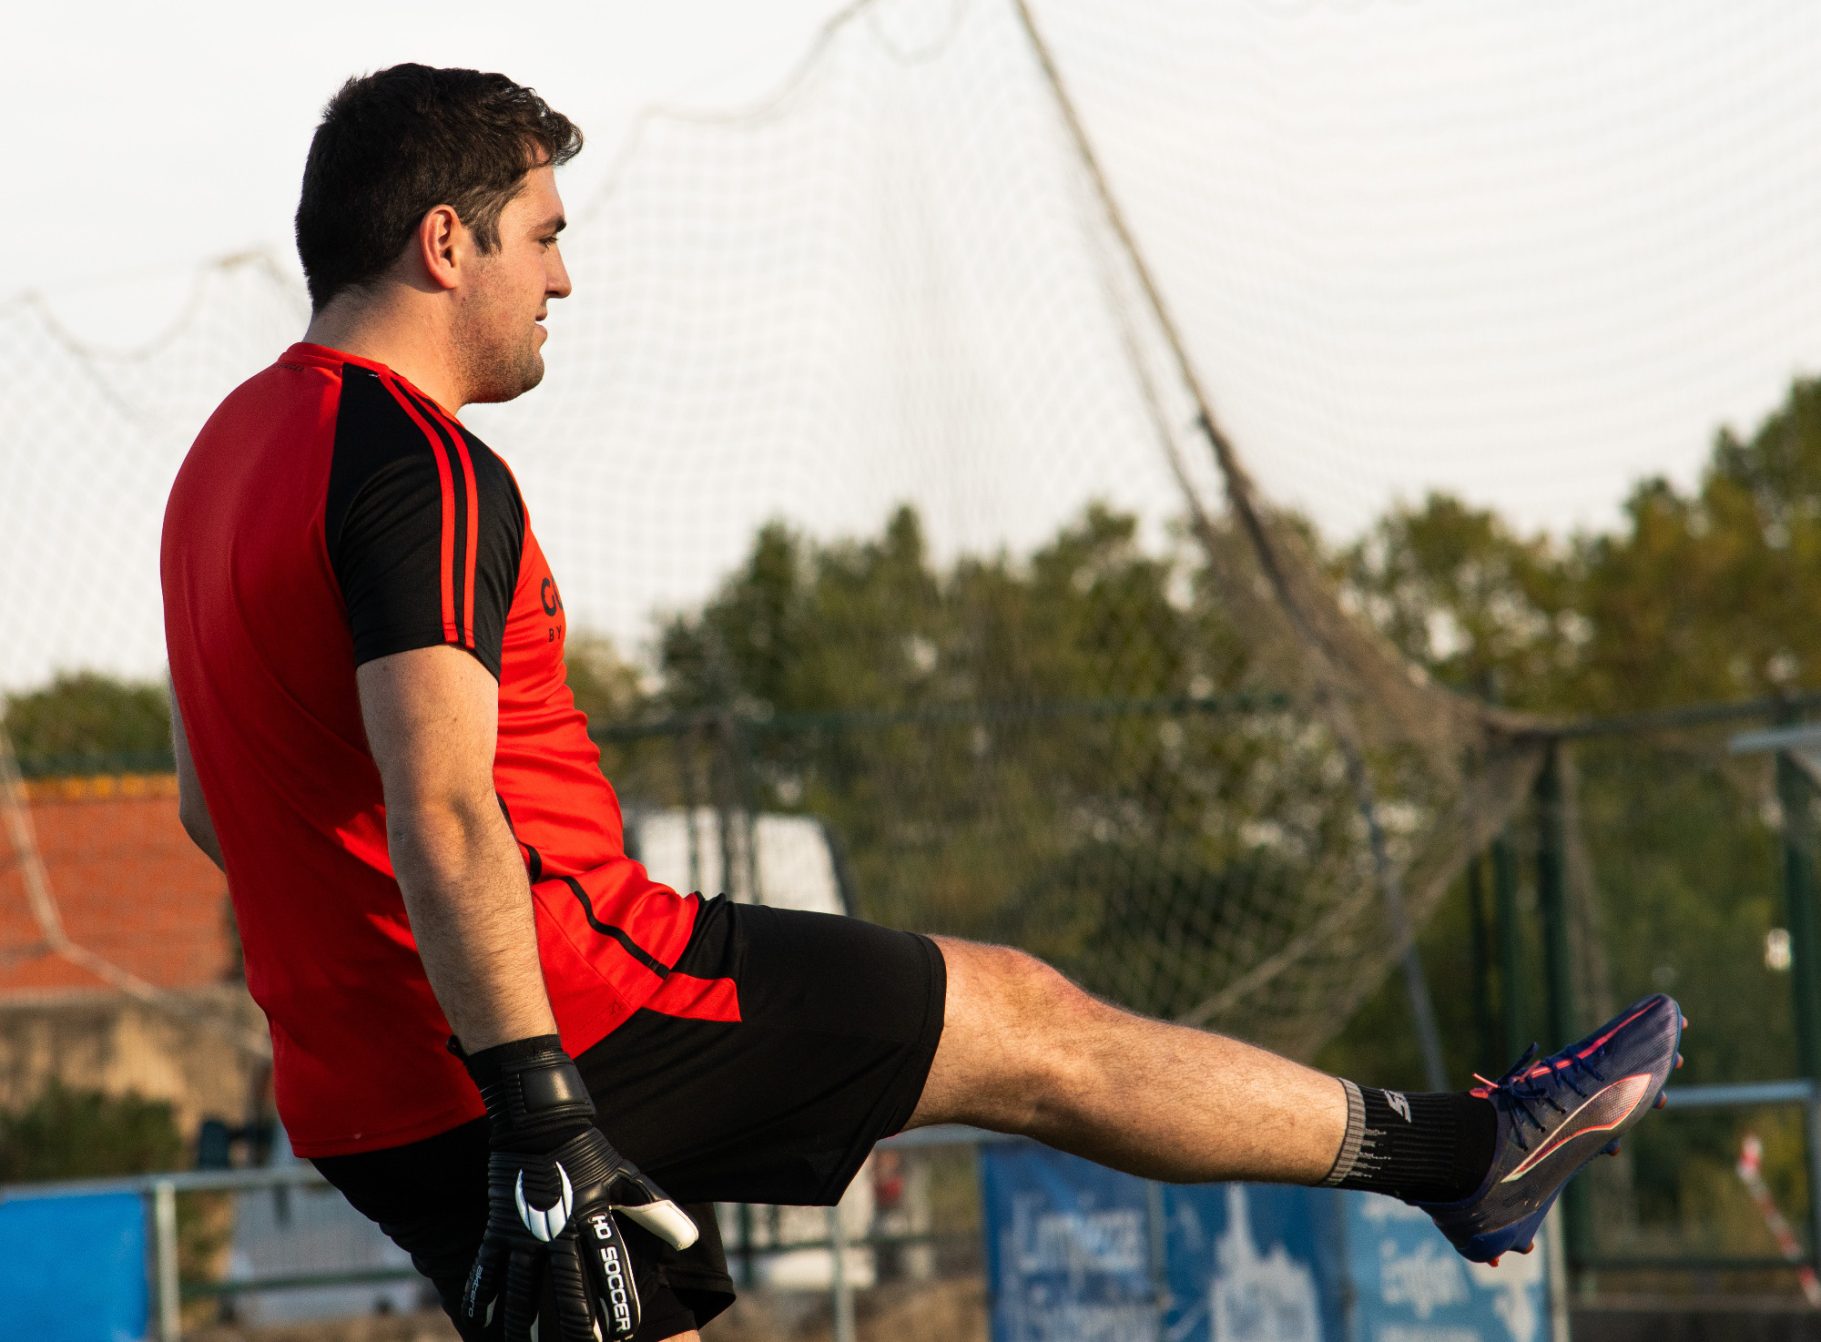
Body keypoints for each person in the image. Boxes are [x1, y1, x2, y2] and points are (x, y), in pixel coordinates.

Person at [161, 63, 1685, 1342]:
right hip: (568, 1026)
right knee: (1024, 1023)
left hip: (369, 1101)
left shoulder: (217, 468)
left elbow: (208, 809)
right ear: (446, 242)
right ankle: (1468, 1153)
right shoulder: (416, 464)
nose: (563, 275)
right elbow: (442, 808)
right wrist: (540, 1101)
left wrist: (409, 1006)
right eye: (544, 235)